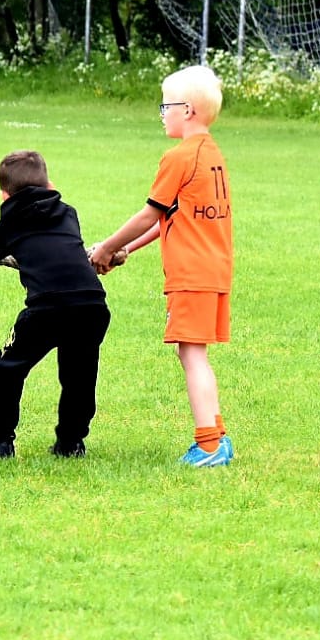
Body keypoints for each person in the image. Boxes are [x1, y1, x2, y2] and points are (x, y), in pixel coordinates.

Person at [89, 66, 235, 467]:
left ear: (187, 110)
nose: (162, 113)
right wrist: (125, 250)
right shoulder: (212, 154)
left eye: (165, 106)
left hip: (191, 273)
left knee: (192, 354)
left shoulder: (179, 157)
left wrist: (106, 248)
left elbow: (149, 214)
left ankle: (209, 446)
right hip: (213, 270)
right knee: (194, 352)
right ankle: (217, 437)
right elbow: (171, 216)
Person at [0, 151, 110, 459]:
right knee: (79, 377)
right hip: (91, 304)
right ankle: (71, 443)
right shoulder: (68, 213)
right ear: (50, 185)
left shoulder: (12, 218)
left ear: (4, 196)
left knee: (8, 369)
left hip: (48, 308)